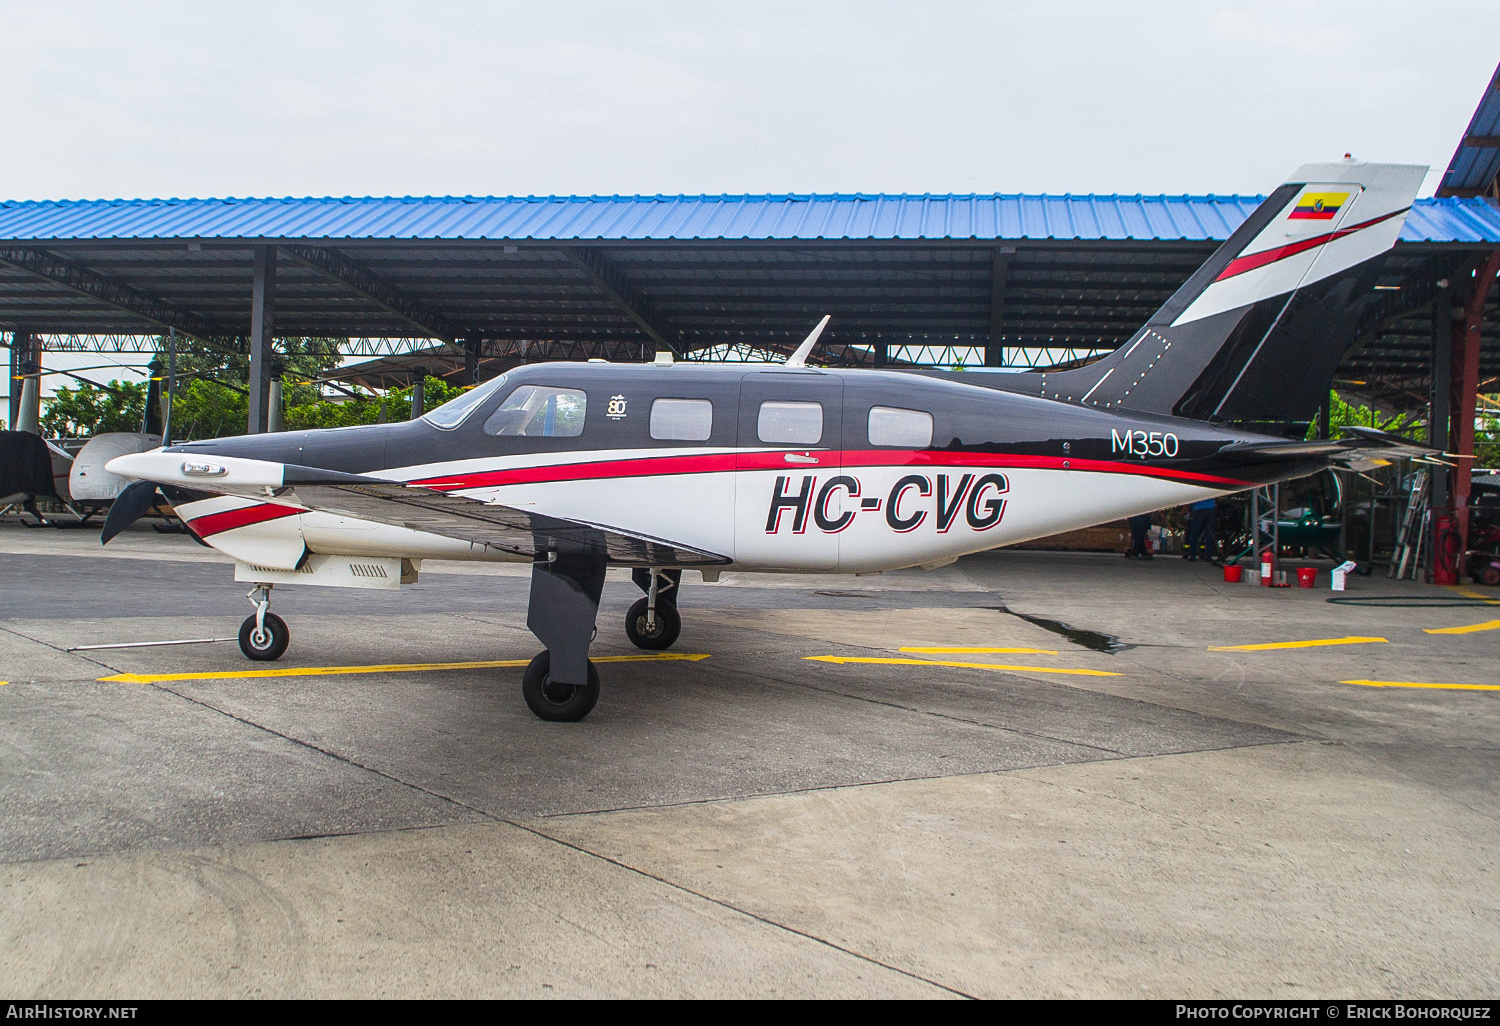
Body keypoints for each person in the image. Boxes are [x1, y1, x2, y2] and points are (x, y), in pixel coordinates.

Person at [1184, 497, 1218, 562]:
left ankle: (1192, 554)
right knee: (1210, 532)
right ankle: (1208, 555)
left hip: (1199, 508)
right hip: (1210, 507)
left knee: (1195, 532)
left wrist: (1191, 509)